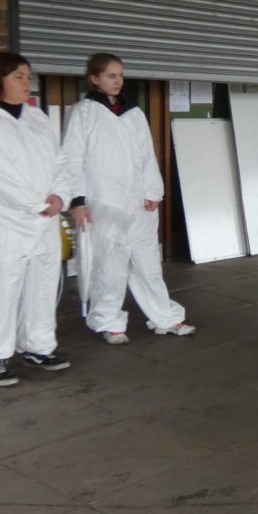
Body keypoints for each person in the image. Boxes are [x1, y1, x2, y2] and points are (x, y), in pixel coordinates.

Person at [0, 52, 71, 386]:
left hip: (42, 218)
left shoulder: (35, 117)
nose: (26, 83)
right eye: (18, 76)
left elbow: (59, 161)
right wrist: (36, 202)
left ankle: (37, 345)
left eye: (27, 77)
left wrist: (59, 196)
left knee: (42, 285)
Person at [62, 53, 194, 344]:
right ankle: (109, 320)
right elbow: (71, 158)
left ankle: (165, 316)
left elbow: (146, 154)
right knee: (108, 266)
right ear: (94, 78)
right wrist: (77, 200)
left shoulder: (133, 112)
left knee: (148, 264)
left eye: (120, 75)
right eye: (111, 75)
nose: (118, 81)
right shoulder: (83, 113)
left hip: (137, 202)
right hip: (104, 203)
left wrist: (152, 190)